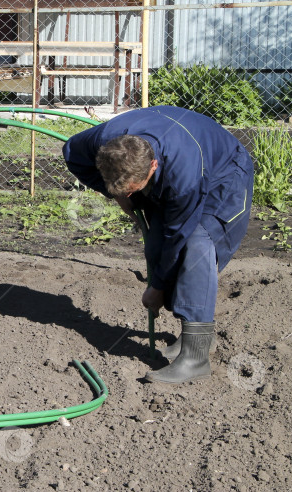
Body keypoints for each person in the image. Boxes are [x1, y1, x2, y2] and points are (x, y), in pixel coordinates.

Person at [62, 106, 254, 383]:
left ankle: (196, 357)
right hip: (171, 164)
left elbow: (177, 237)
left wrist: (157, 287)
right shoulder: (102, 141)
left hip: (223, 174)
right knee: (155, 245)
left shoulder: (184, 178)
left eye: (133, 189)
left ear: (152, 166)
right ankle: (194, 334)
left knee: (196, 247)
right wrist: (118, 195)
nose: (128, 195)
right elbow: (71, 153)